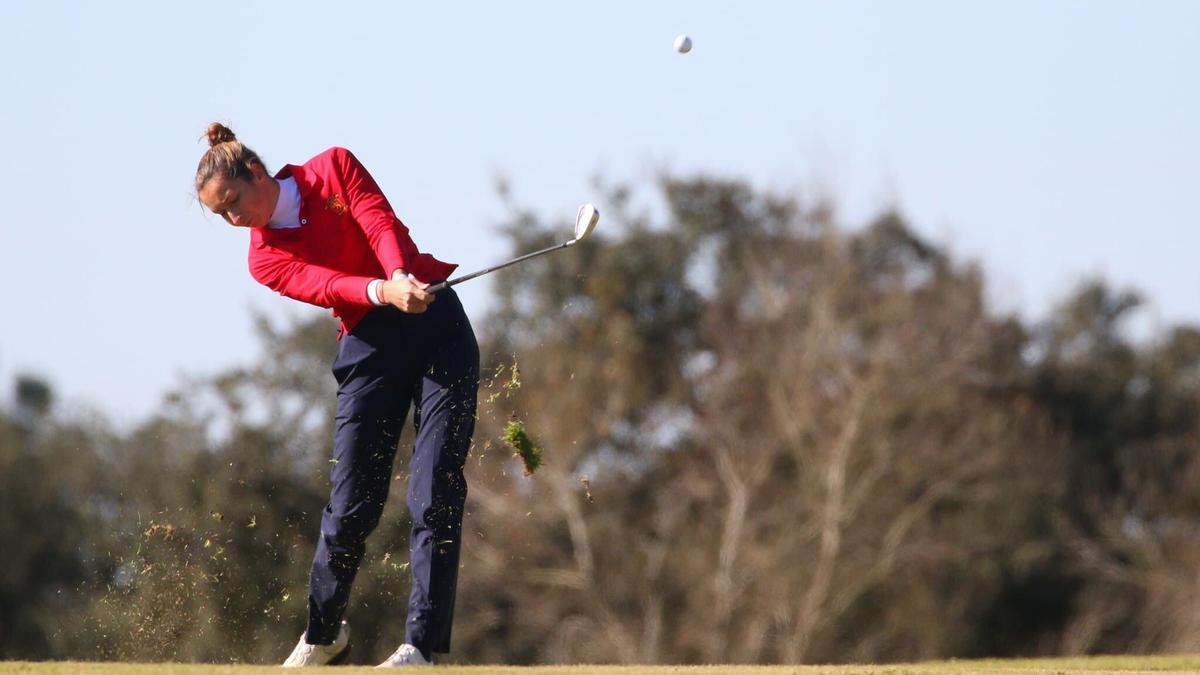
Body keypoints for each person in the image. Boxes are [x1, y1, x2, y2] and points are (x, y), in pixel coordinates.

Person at [194, 123, 480, 667]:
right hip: (369, 345)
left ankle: (419, 646)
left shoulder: (333, 166)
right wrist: (382, 290)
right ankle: (324, 633)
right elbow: (324, 285)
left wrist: (399, 274)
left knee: (434, 489)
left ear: (255, 173)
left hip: (436, 324)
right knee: (351, 504)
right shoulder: (262, 258)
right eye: (221, 215)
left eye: (233, 202)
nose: (234, 219)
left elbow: (376, 218)